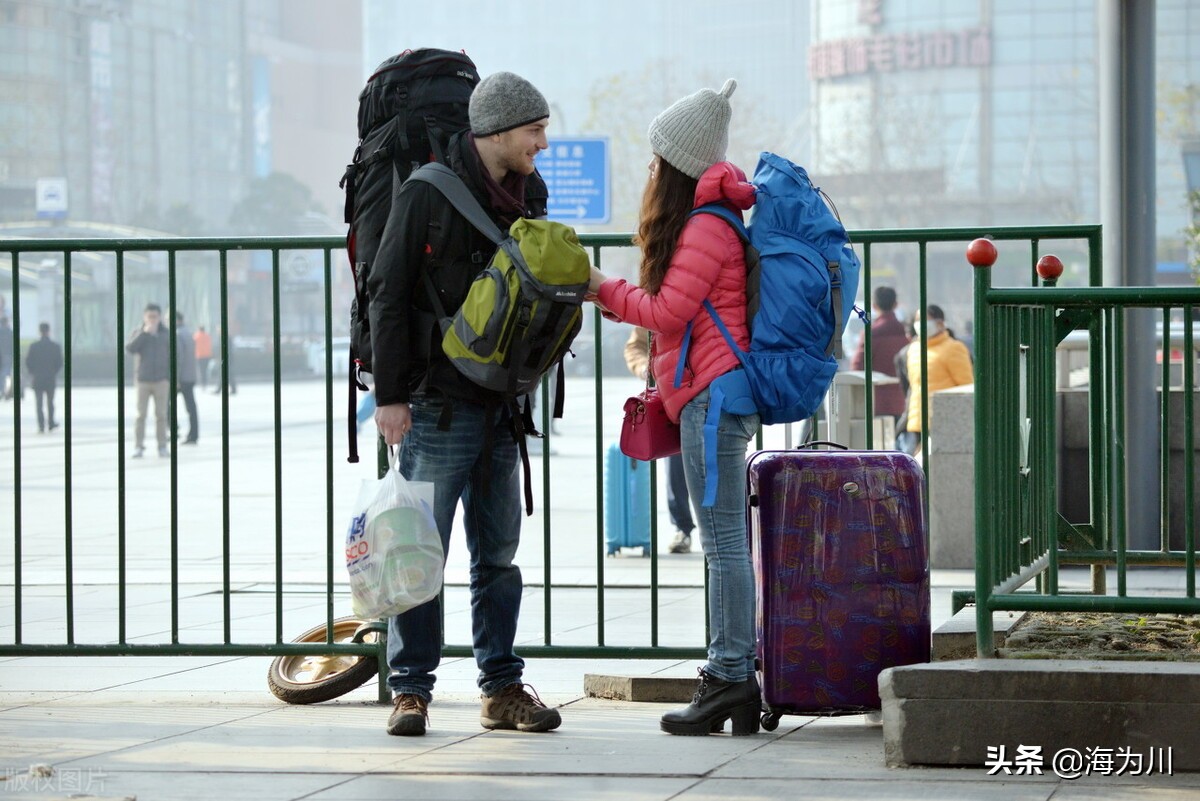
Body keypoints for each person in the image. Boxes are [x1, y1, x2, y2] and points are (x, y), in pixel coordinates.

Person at [369, 71, 562, 738]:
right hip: (438, 405)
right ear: (498, 131)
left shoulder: (530, 193)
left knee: (499, 556)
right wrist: (389, 396)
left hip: (504, 406)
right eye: (534, 129)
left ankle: (502, 687)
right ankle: (411, 690)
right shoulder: (426, 192)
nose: (542, 140)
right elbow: (387, 294)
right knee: (418, 551)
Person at [588, 79, 761, 736]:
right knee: (723, 542)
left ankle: (728, 676)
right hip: (712, 396)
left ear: (679, 165)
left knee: (722, 542)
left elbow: (665, 313)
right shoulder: (716, 221)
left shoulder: (705, 228)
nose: (652, 167)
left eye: (658, 156)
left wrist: (600, 287)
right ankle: (731, 682)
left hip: (713, 401)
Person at [624, 326, 695, 553]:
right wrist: (645, 367)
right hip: (672, 395)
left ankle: (732, 532)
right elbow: (635, 346)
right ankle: (682, 528)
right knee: (676, 466)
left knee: (721, 464)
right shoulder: (656, 299)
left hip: (710, 389)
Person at [903, 304, 974, 454]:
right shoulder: (914, 349)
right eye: (917, 320)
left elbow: (966, 386)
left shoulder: (954, 348)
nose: (919, 324)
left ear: (940, 323)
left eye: (924, 319)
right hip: (917, 423)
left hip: (944, 422)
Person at [850, 285, 908, 423]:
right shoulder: (906, 334)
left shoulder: (870, 334)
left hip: (875, 402)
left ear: (874, 306)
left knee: (877, 443)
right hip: (903, 401)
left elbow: (857, 368)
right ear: (896, 305)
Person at [126, 303, 171, 458]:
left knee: (161, 415)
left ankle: (162, 446)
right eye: (149, 317)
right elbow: (130, 348)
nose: (152, 320)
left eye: (155, 317)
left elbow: (174, 357)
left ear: (160, 317)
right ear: (145, 317)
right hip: (143, 380)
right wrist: (144, 334)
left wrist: (171, 378)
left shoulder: (166, 334)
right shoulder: (139, 332)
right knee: (140, 415)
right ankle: (138, 446)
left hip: (161, 380)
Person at [25, 322, 62, 432]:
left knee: (39, 403)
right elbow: (59, 363)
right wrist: (53, 372)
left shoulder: (34, 346)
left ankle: (41, 425)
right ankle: (51, 422)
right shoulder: (55, 346)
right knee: (50, 402)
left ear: (40, 331)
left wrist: (33, 372)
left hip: (38, 378)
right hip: (50, 378)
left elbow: (28, 362)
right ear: (48, 331)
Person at [175, 312, 199, 444]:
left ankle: (173, 429)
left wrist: (176, 379)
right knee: (191, 406)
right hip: (190, 375)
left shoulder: (177, 333)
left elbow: (179, 358)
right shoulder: (188, 333)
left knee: (168, 404)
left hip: (182, 377)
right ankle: (194, 434)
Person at [0, 316, 12, 400]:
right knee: (7, 375)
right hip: (8, 356)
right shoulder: (9, 332)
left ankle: (2, 390)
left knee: (1, 375)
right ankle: (6, 391)